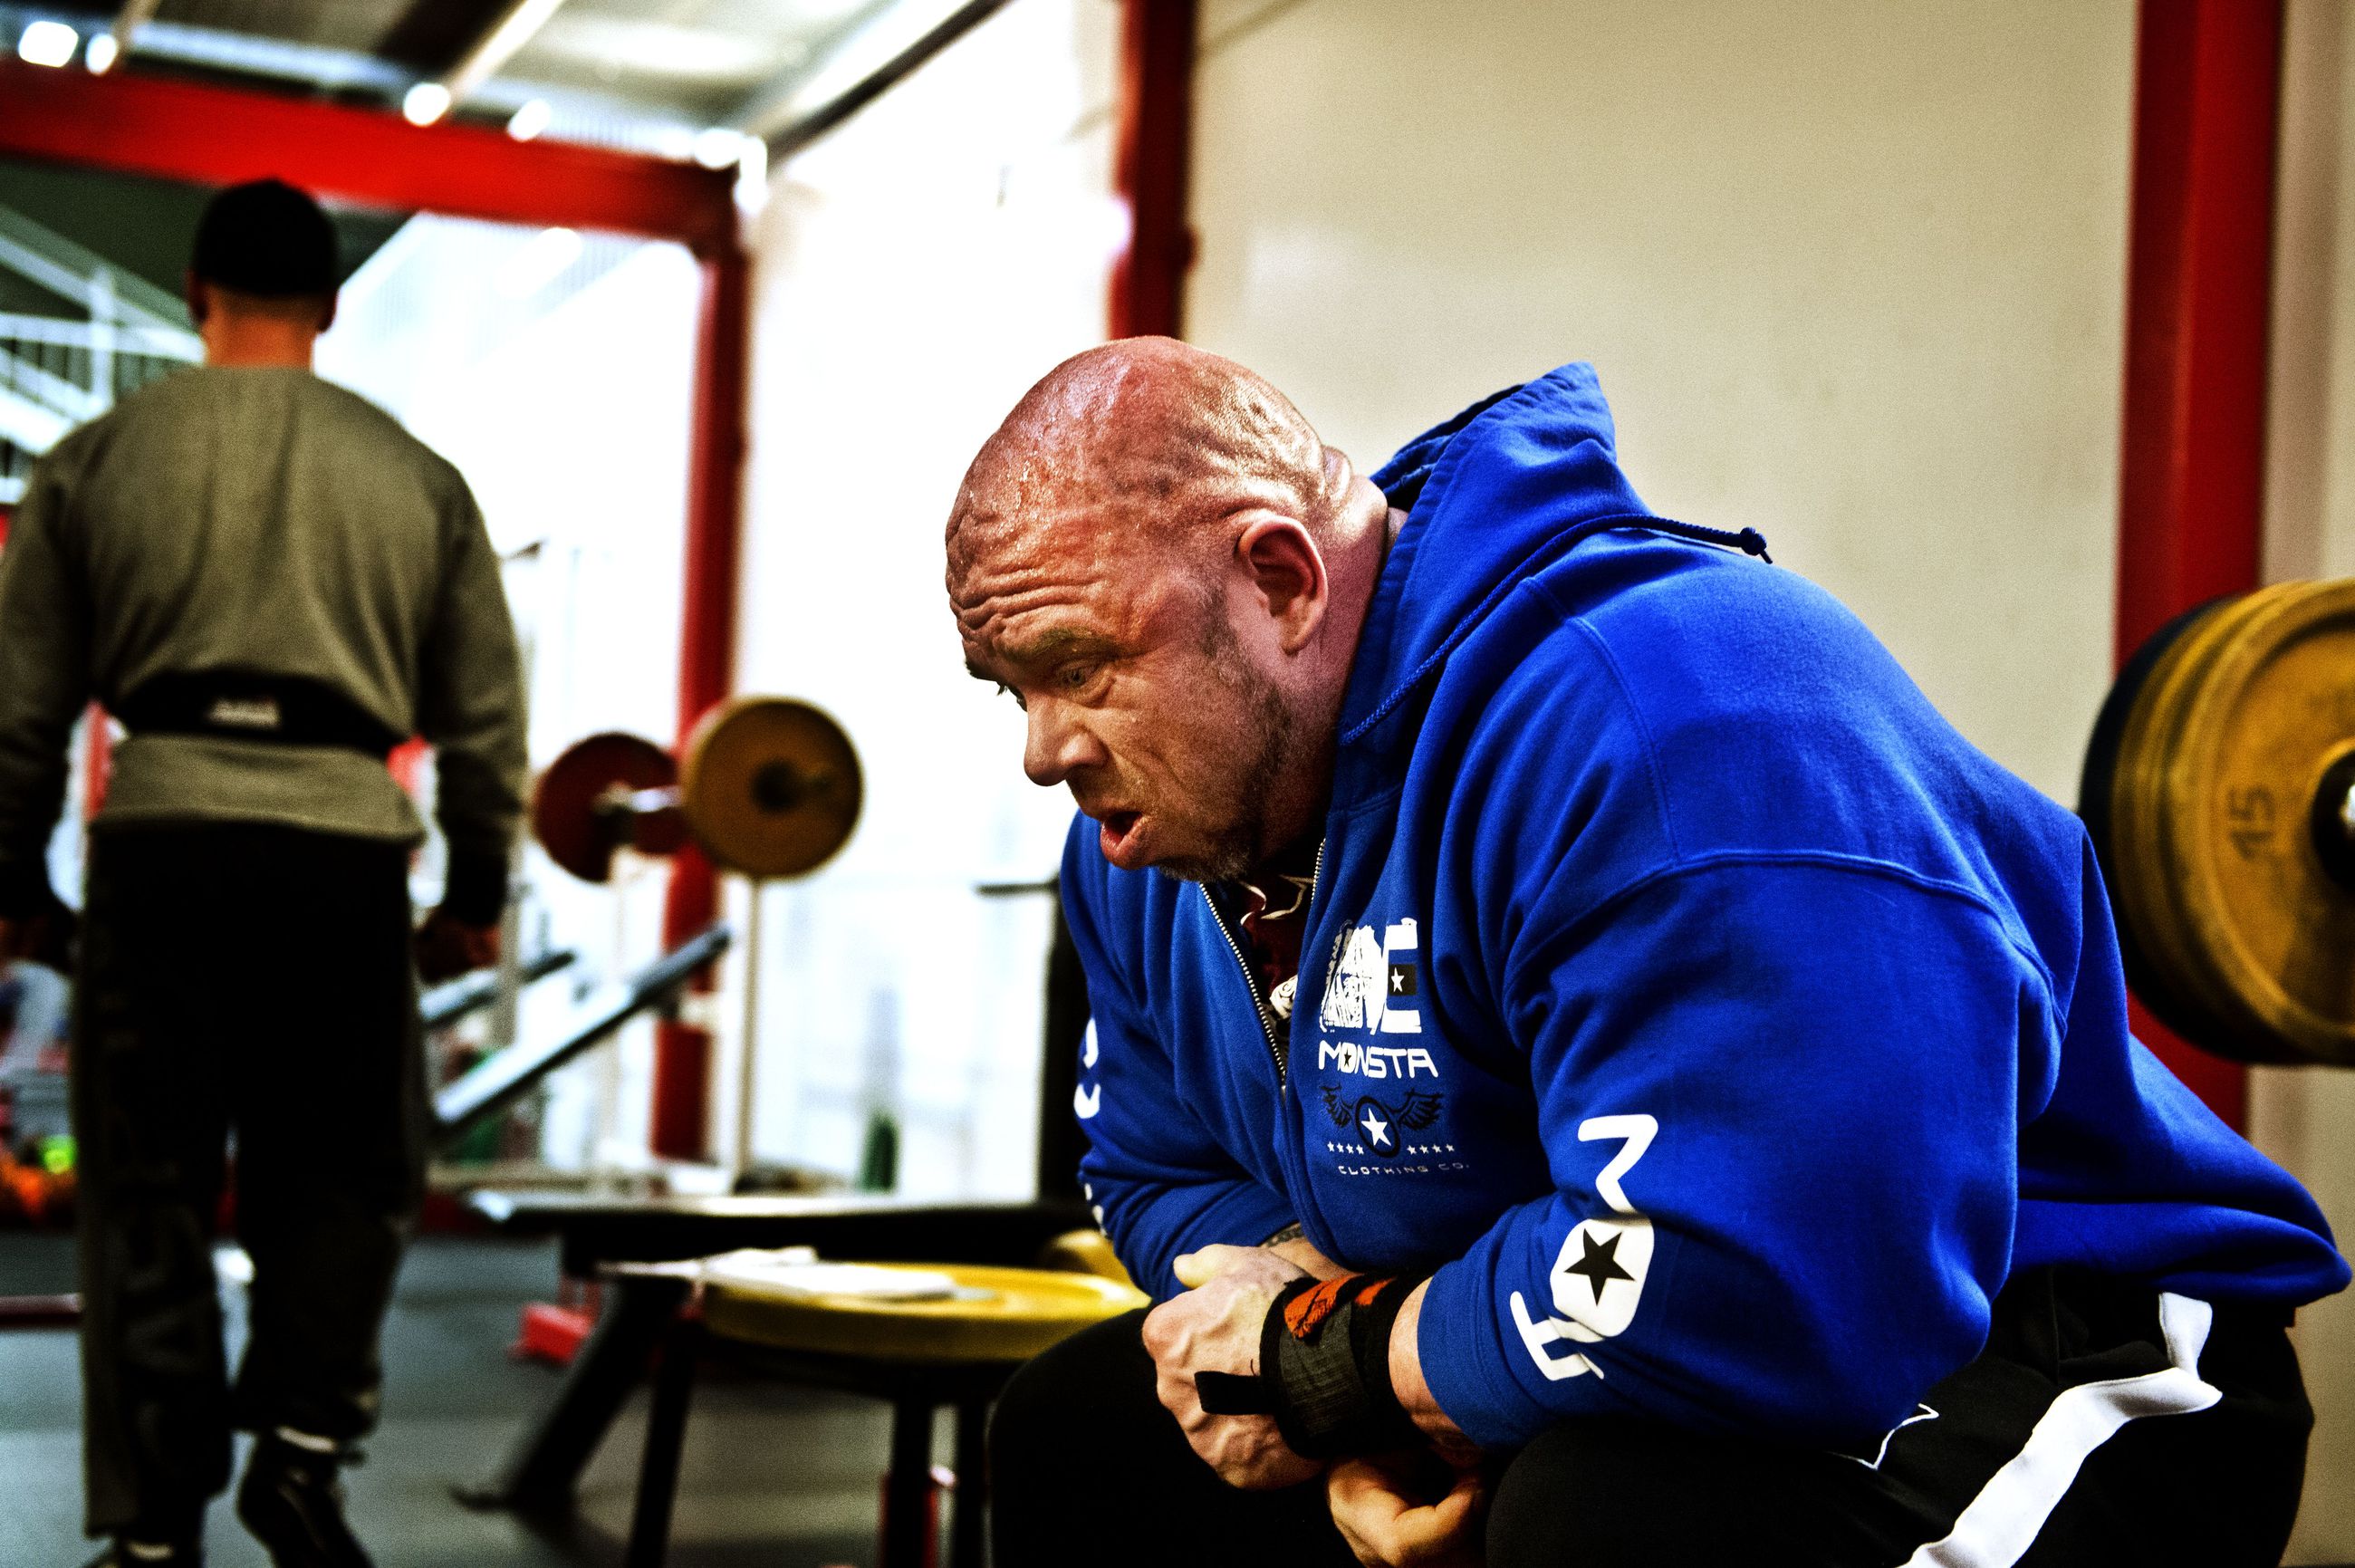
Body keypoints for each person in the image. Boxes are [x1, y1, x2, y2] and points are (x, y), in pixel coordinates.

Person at [947, 339, 2350, 1568]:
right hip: (1595, 1347)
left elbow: (1770, 1283)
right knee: (1082, 1433)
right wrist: (1353, 1376)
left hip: (2042, 1346)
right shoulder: (1147, 837)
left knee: (1607, 1525)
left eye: (1082, 668)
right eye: (1012, 690)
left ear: (1281, 580)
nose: (1043, 749)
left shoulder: (1673, 725)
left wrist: (1341, 1363)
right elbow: (1155, 1168)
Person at [0, 179, 527, 1568]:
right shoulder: (418, 480)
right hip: (342, 862)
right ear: (332, 308)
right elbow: (486, 726)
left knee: (146, 1191)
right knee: (348, 1176)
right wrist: (476, 891)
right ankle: (299, 1451)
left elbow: (22, 714)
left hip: (159, 851)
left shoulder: (98, 460)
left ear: (193, 297)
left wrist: (17, 887)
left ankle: (154, 1527)